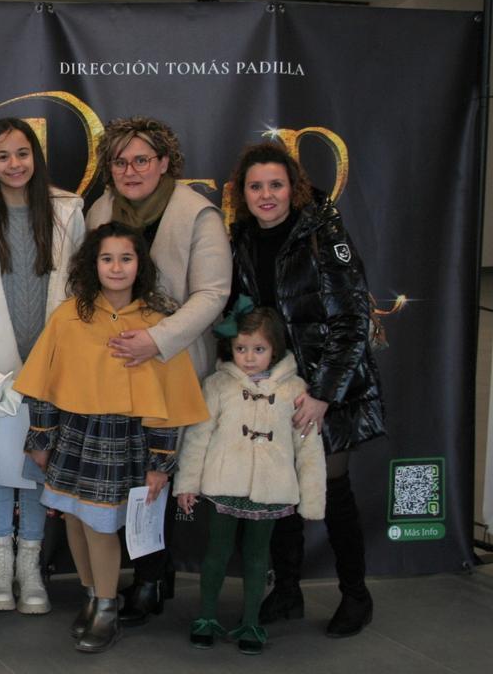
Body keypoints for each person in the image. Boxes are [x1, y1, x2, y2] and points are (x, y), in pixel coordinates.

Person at [17, 222, 208, 652]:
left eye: (126, 258)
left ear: (140, 264)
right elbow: (46, 383)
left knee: (102, 524)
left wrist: (161, 463)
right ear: (93, 264)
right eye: (107, 258)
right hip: (73, 435)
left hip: (122, 440)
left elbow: (168, 401)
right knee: (73, 519)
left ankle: (107, 607)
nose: (116, 267)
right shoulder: (70, 314)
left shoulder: (158, 322)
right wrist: (42, 439)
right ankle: (91, 596)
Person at [226, 142, 384, 638]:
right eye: (256, 186)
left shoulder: (323, 234)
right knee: (279, 492)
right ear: (243, 193)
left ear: (293, 187)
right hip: (273, 385)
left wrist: (322, 393)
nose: (266, 195)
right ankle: (288, 590)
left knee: (334, 491)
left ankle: (356, 595)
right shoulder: (242, 238)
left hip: (326, 389)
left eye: (276, 185)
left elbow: (354, 320)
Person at [83, 116, 231, 625]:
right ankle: (152, 572)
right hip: (115, 362)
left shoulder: (198, 214)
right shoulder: (101, 209)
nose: (130, 170)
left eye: (141, 159)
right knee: (128, 470)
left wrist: (157, 339)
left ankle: (148, 581)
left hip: (172, 362)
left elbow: (212, 293)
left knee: (156, 472)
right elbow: (87, 280)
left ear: (165, 162)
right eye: (120, 161)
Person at [0, 117, 85, 615]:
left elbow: (79, 289)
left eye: (22, 153)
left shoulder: (65, 210)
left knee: (39, 464)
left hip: (55, 361)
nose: (14, 165)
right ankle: (0, 565)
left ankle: (31, 566)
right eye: (3, 156)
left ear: (36, 155)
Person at [175, 303, 326, 654]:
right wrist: (187, 483)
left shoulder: (295, 390)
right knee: (216, 553)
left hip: (271, 490)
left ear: (275, 348)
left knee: (258, 557)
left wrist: (312, 498)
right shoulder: (217, 385)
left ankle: (251, 622)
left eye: (258, 349)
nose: (248, 357)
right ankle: (207, 617)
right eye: (241, 349)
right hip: (222, 485)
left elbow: (308, 448)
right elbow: (198, 437)